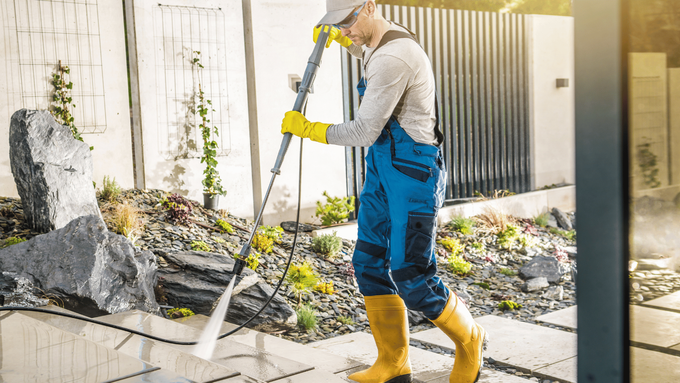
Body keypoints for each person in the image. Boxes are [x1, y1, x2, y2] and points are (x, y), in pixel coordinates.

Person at [281, 1, 487, 382]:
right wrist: (345, 42)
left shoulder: (395, 57)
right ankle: (393, 363)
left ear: (370, 6)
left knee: (411, 273)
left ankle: (470, 339)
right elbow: (365, 47)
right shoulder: (376, 41)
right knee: (369, 261)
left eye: (347, 22)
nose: (345, 29)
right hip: (382, 170)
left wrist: (309, 129)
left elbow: (363, 131)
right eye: (336, 24)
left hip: (412, 174)